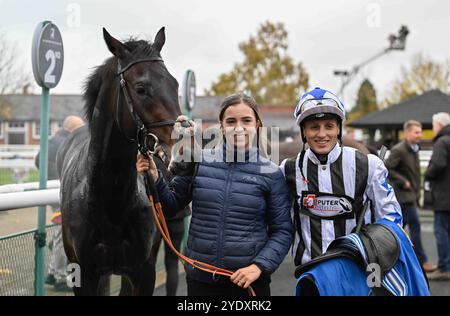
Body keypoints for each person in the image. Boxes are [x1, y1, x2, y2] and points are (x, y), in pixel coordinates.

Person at [138, 92, 293, 296]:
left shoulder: (271, 173)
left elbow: (282, 231)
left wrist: (258, 267)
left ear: (257, 124)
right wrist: (154, 176)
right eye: (231, 121)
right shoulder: (198, 161)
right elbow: (171, 204)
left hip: (249, 284)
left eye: (246, 120)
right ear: (222, 126)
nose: (238, 128)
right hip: (201, 281)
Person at [281, 87, 403, 267]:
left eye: (329, 126)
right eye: (314, 127)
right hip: (310, 273)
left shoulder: (369, 165)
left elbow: (391, 218)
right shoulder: (288, 169)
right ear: (304, 131)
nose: (322, 134)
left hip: (358, 271)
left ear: (338, 129)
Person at [35, 115, 84, 291]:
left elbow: (37, 161)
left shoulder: (52, 140)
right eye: (80, 129)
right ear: (73, 129)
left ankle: (53, 271)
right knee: (66, 235)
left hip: (52, 192)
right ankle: (61, 277)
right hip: (63, 194)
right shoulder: (70, 142)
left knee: (59, 234)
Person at [385, 120, 436, 273]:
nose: (419, 135)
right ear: (407, 133)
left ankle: (390, 259)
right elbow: (387, 168)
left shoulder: (414, 148)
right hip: (403, 197)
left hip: (411, 195)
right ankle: (423, 261)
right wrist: (403, 182)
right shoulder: (399, 150)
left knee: (398, 230)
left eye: (420, 132)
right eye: (416, 132)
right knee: (415, 227)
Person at [138, 154, 191, 296]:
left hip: (158, 215)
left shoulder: (149, 158)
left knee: (150, 262)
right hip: (177, 217)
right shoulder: (179, 156)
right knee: (172, 263)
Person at [425, 112, 450, 281]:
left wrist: (428, 173)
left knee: (441, 232)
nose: (433, 129)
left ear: (439, 125)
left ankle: (444, 268)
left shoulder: (442, 141)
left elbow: (438, 164)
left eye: (433, 126)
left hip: (443, 196)